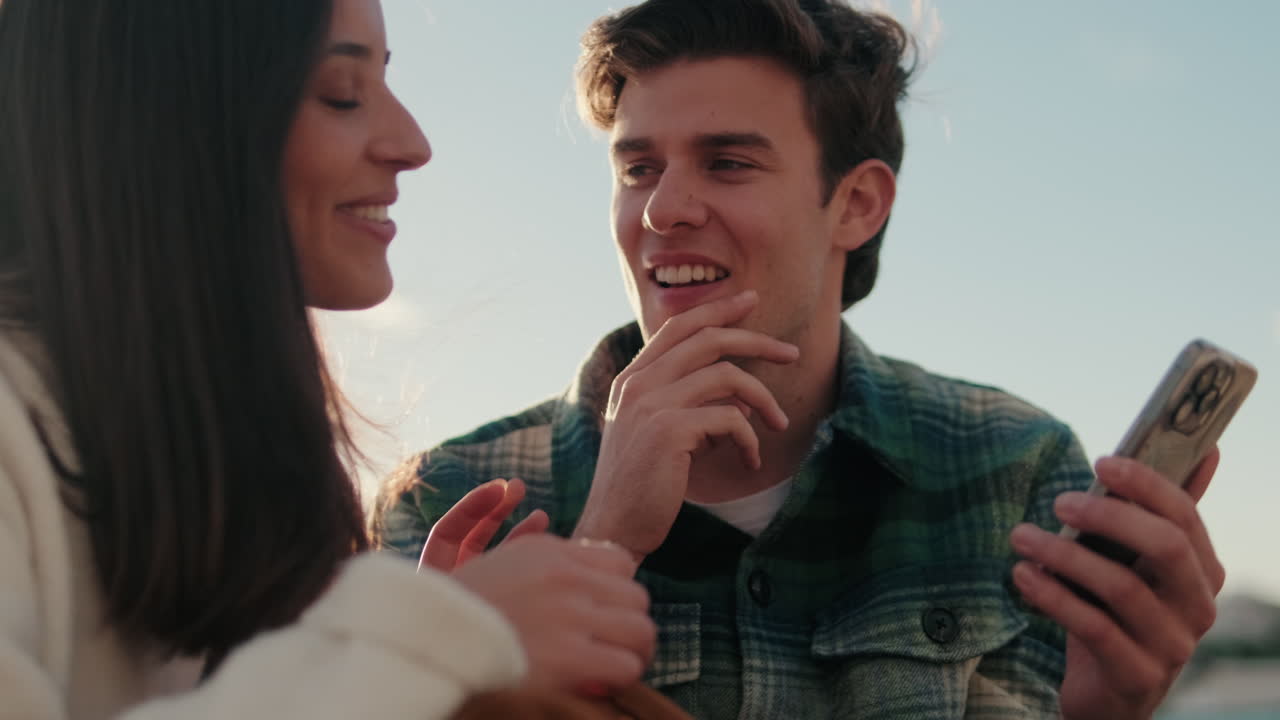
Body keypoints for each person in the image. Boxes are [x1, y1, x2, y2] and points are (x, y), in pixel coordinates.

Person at [375, 0, 1226, 718]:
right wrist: (599, 550)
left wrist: (1102, 716)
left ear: (856, 204)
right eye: (638, 168)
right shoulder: (449, 505)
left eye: (729, 163)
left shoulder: (1015, 468)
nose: (663, 210)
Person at [0, 0, 656, 717]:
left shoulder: (216, 440)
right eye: (342, 94)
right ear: (165, 122)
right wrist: (420, 648)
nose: (412, 142)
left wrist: (391, 653)